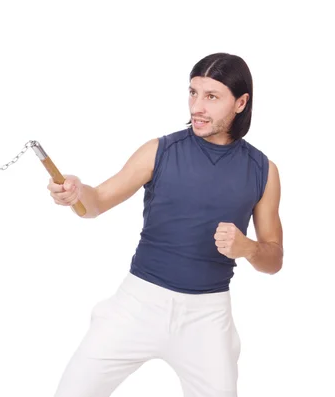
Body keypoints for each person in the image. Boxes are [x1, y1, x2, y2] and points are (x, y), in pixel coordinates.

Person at [47, 53, 283, 397]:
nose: (197, 107)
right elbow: (95, 202)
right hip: (138, 304)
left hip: (207, 318)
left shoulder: (264, 170)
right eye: (193, 92)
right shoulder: (159, 150)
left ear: (241, 102)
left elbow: (274, 260)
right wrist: (75, 192)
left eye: (211, 97)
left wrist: (247, 248)